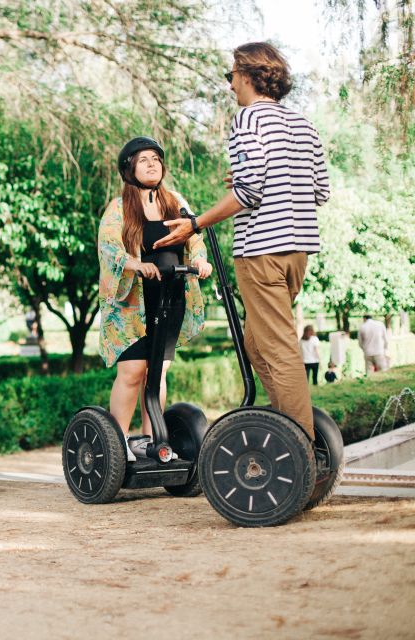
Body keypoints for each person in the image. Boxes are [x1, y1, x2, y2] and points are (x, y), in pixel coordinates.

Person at [155, 42, 331, 440]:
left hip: (262, 252)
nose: (230, 83)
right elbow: (318, 190)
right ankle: (284, 423)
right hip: (296, 252)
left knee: (278, 350)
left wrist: (194, 224)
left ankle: (299, 446)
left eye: (231, 74)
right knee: (255, 342)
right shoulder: (303, 124)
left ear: (249, 74)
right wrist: (262, 181)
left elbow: (249, 193)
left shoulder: (247, 121)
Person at [98, 137, 213, 462]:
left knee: (158, 373)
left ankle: (151, 440)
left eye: (156, 159)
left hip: (171, 296)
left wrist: (201, 261)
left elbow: (195, 236)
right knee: (133, 372)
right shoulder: (120, 206)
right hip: (133, 305)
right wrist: (134, 264)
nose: (152, 163)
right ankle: (118, 442)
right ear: (129, 168)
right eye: (143, 159)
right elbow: (108, 245)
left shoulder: (175, 200)